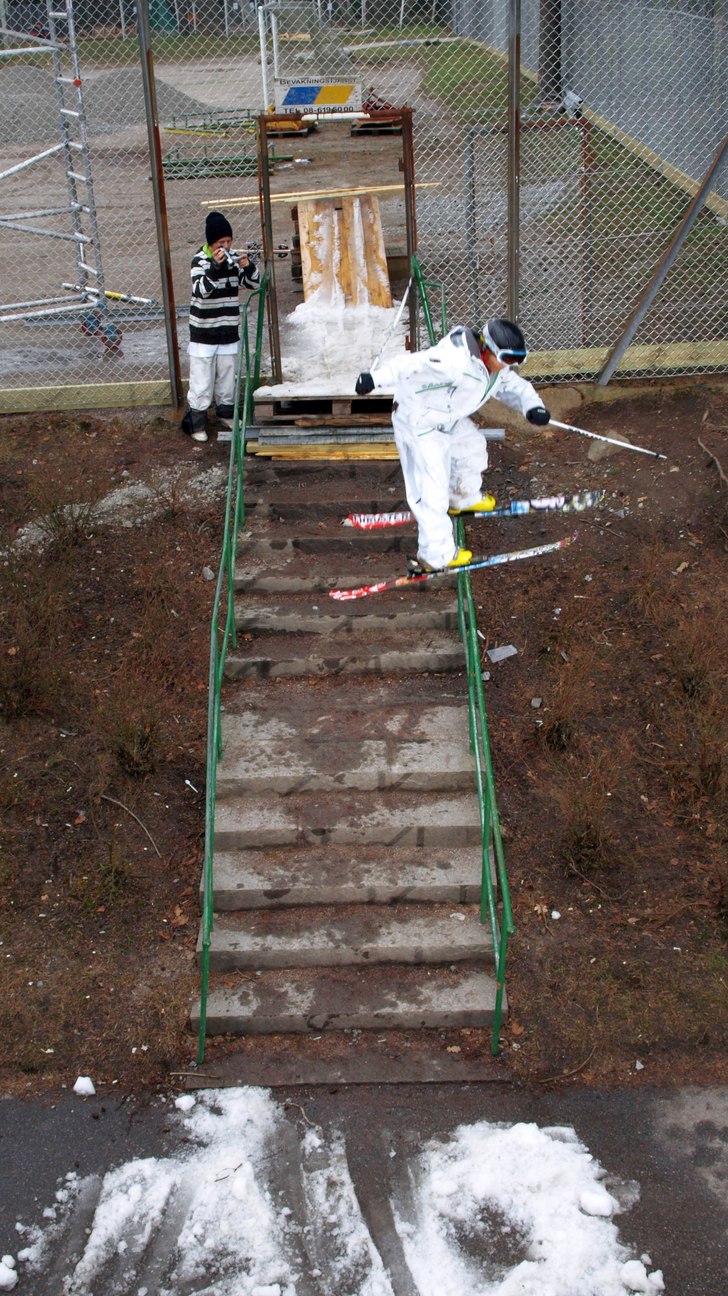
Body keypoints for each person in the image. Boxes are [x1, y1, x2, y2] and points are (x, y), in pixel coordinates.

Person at [355, 319, 551, 571]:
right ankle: (436, 555)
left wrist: (533, 407)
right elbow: (411, 364)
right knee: (432, 489)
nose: (509, 365)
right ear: (487, 348)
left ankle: (462, 496)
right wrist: (374, 378)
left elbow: (513, 386)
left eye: (516, 360)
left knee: (472, 448)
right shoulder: (453, 360)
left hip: (446, 417)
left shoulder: (494, 368)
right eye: (506, 358)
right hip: (419, 421)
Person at [181, 210, 261, 443]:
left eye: (229, 241)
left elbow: (253, 283)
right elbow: (201, 290)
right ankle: (197, 422)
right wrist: (215, 268)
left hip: (227, 329)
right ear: (211, 244)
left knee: (227, 375)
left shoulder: (233, 258)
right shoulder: (199, 260)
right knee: (202, 379)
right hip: (204, 331)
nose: (226, 247)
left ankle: (226, 413)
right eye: (220, 243)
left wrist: (248, 266)